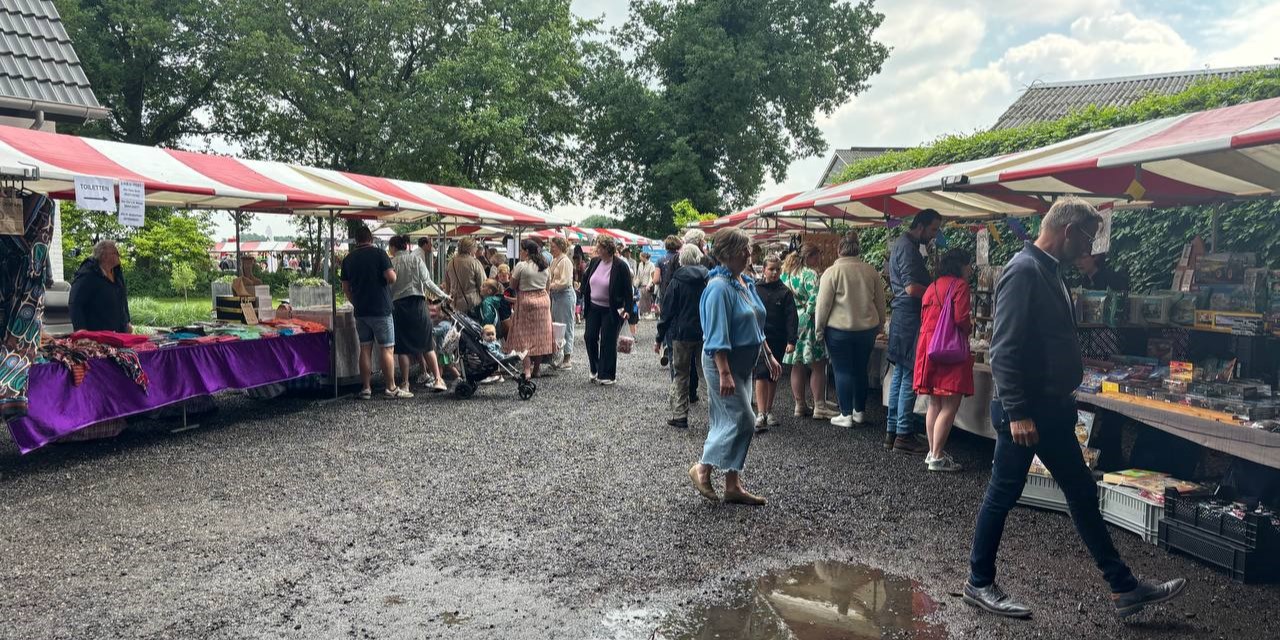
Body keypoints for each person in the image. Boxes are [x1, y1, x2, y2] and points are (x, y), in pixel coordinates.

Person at [964, 197, 1186, 620]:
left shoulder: (1047, 271)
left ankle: (1124, 588)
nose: (1089, 246)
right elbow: (1003, 349)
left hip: (1049, 410)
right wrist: (1017, 412)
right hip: (1027, 412)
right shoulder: (1024, 270)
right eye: (1087, 236)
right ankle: (978, 582)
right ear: (1068, 231)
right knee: (1003, 493)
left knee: (1082, 492)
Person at [688, 228, 779, 506]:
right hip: (722, 364)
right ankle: (702, 468)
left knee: (732, 420)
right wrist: (724, 372)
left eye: (748, 248)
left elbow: (755, 324)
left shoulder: (744, 282)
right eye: (743, 249)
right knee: (744, 419)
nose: (749, 253)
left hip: (743, 363)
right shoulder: (718, 288)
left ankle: (732, 484)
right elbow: (716, 335)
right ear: (727, 253)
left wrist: (768, 355)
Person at [886, 208, 942, 455]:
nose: (934, 235)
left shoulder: (901, 244)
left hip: (901, 315)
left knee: (900, 372)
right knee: (909, 372)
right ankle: (904, 433)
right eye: (933, 230)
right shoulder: (908, 248)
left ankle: (894, 431)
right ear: (920, 225)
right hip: (909, 316)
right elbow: (910, 288)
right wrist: (937, 294)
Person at [815, 233, 886, 429]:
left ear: (839, 250)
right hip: (867, 330)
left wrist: (819, 330)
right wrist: (880, 325)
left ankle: (845, 414)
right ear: (858, 250)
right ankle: (859, 411)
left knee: (842, 370)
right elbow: (880, 301)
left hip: (838, 331)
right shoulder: (870, 271)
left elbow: (823, 305)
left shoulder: (831, 272)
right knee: (860, 369)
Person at [913, 248, 974, 472]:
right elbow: (960, 319)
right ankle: (937, 456)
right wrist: (969, 330)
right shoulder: (960, 286)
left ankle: (932, 452)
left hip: (928, 346)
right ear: (960, 265)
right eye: (968, 264)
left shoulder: (932, 286)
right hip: (950, 348)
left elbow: (924, 317)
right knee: (950, 404)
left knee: (934, 403)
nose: (970, 269)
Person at [341, 225, 406, 400]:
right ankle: (390, 387)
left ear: (356, 240)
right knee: (387, 349)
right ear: (370, 238)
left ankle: (366, 388)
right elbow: (391, 277)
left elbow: (345, 288)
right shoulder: (380, 254)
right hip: (381, 309)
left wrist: (355, 301)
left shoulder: (348, 259)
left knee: (365, 348)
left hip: (361, 311)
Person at [656, 244, 709, 429]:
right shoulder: (707, 279)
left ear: (680, 260)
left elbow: (667, 311)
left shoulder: (676, 281)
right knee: (709, 375)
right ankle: (718, 415)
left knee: (680, 374)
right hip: (705, 333)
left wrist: (659, 337)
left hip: (681, 333)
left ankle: (680, 415)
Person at [389, 235, 449, 394]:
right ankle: (438, 378)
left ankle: (405, 383)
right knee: (427, 343)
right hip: (418, 304)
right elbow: (428, 282)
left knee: (402, 347)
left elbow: (387, 288)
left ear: (393, 248)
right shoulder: (416, 260)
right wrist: (443, 296)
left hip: (399, 306)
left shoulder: (391, 263)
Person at [781, 244, 833, 420]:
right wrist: (812, 315)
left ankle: (799, 404)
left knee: (797, 363)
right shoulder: (811, 274)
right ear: (810, 256)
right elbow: (816, 299)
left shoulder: (786, 273)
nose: (819, 259)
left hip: (790, 321)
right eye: (818, 255)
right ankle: (819, 406)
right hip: (807, 321)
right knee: (818, 364)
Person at [579, 236, 633, 385]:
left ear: (608, 249)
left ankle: (607, 374)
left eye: (601, 247)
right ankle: (595, 368)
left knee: (608, 341)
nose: (598, 250)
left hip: (612, 308)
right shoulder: (595, 261)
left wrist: (628, 309)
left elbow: (628, 289)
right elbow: (586, 278)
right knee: (589, 337)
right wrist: (582, 291)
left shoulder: (620, 266)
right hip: (594, 307)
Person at [752, 256, 797, 431]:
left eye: (777, 269)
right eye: (771, 269)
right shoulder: (755, 289)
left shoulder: (785, 292)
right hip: (759, 338)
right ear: (763, 270)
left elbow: (791, 317)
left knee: (773, 375)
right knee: (761, 374)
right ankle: (761, 412)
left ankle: (768, 410)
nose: (774, 272)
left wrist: (791, 340)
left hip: (778, 339)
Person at [506, 239, 555, 379]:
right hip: (543, 300)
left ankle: (527, 370)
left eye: (521, 250)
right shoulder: (545, 266)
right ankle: (537, 370)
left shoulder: (521, 266)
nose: (520, 253)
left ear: (526, 251)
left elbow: (512, 285)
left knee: (524, 337)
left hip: (526, 301)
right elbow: (547, 287)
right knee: (540, 336)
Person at [69, 240, 131, 333]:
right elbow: (75, 302)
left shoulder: (117, 273)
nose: (119, 255)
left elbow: (122, 299)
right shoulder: (88, 273)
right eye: (115, 252)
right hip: (97, 333)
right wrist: (80, 329)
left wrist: (127, 321)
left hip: (118, 333)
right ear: (104, 256)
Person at [548, 237, 577, 370]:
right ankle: (558, 356)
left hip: (565, 295)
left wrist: (550, 285)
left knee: (566, 326)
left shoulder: (565, 261)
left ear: (559, 247)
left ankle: (567, 357)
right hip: (556, 296)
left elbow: (565, 282)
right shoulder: (555, 260)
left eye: (552, 246)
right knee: (556, 327)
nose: (550, 248)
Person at [443, 237, 486, 318]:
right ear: (471, 248)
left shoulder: (451, 263)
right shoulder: (475, 263)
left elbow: (447, 286)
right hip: (472, 303)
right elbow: (483, 285)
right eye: (475, 247)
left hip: (455, 305)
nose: (476, 250)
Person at [635, 251, 656, 318]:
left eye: (640, 256)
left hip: (648, 285)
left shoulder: (651, 265)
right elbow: (638, 276)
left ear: (644, 257)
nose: (639, 258)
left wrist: (649, 285)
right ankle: (643, 313)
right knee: (641, 300)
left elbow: (651, 277)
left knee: (647, 299)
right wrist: (635, 284)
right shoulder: (640, 264)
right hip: (641, 285)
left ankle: (649, 313)